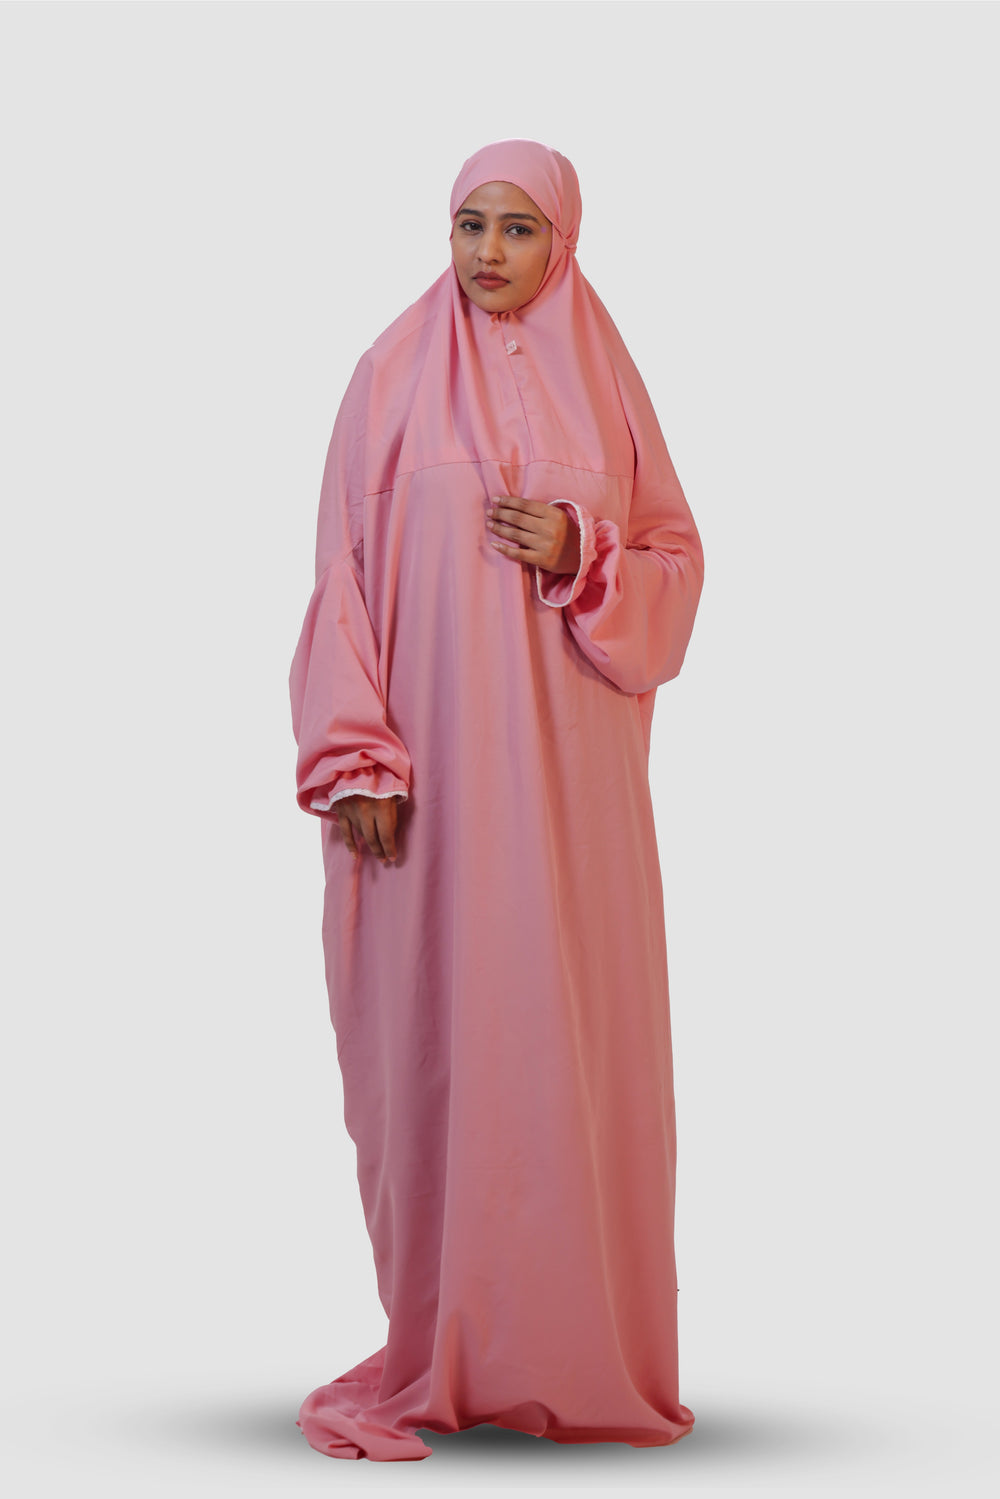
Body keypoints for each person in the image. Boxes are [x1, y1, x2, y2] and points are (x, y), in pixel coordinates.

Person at [288, 138, 705, 1462]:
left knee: (569, 1038)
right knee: (442, 1042)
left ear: (562, 242)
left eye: (519, 228)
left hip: (576, 796)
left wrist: (584, 548)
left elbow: (677, 564)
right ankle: (450, 1345)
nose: (489, 252)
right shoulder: (389, 377)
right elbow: (341, 577)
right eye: (471, 224)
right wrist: (357, 754)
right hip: (433, 789)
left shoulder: (608, 386)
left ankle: (578, 1352)